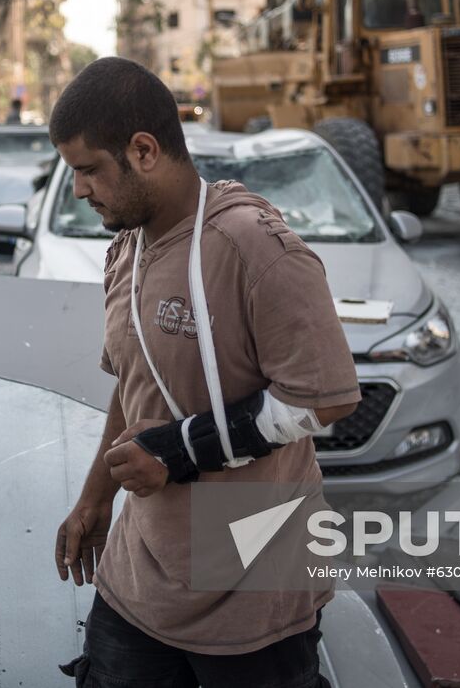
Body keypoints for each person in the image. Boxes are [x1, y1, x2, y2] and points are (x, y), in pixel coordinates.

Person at [51, 57, 361, 687]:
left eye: (89, 169)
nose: (80, 190)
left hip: (253, 585)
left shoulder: (256, 248)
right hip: (141, 580)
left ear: (143, 151)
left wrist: (177, 450)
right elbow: (135, 383)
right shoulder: (126, 250)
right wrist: (95, 498)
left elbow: (323, 401)